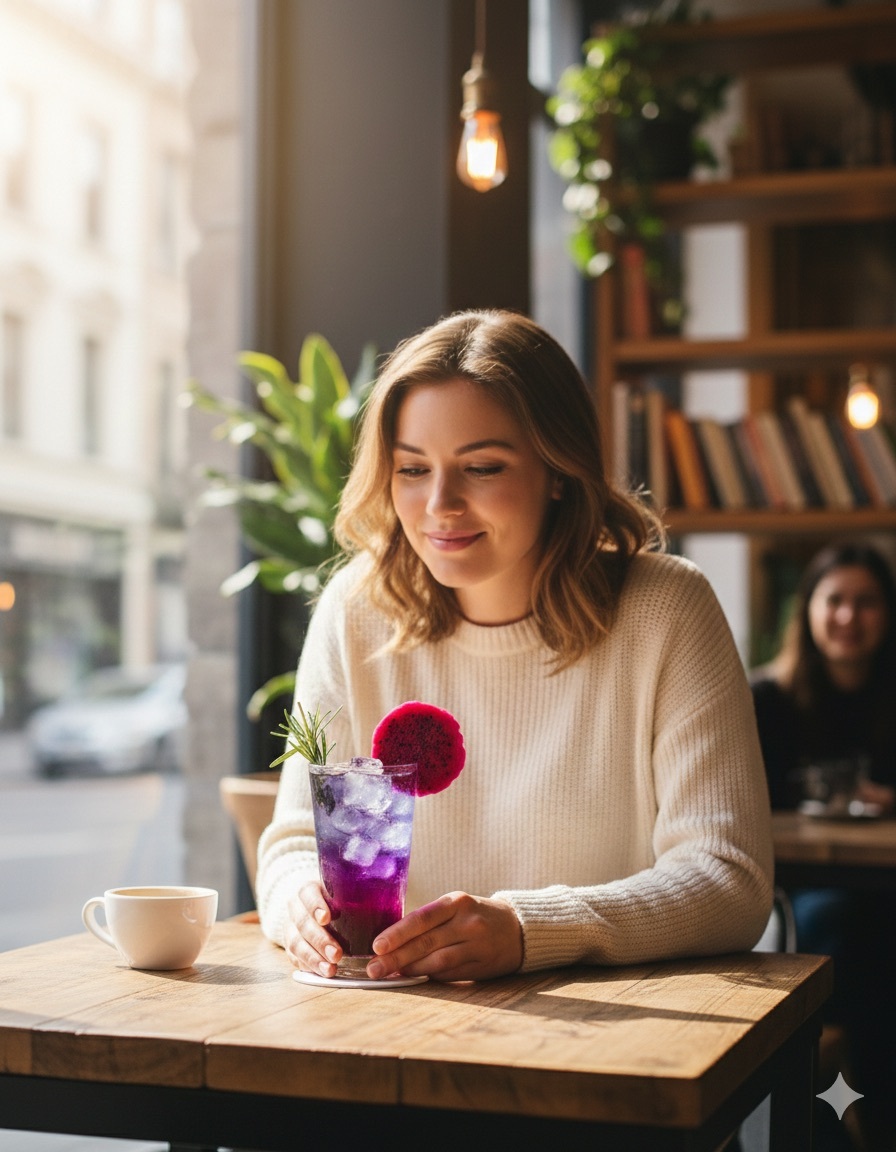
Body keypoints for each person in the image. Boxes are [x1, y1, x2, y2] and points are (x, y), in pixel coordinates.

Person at [256, 309, 774, 985]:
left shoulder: (665, 609)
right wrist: (300, 906)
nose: (439, 504)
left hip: (608, 1027)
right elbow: (295, 844)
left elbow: (728, 878)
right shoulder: (356, 609)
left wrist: (529, 931)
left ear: (558, 470)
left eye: (481, 467)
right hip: (396, 1015)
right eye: (412, 468)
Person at [751, 540, 896, 1151]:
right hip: (799, 888)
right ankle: (849, 1112)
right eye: (834, 600)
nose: (848, 616)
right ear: (807, 609)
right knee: (842, 923)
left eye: (867, 602)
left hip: (882, 886)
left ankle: (840, 1109)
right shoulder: (765, 700)